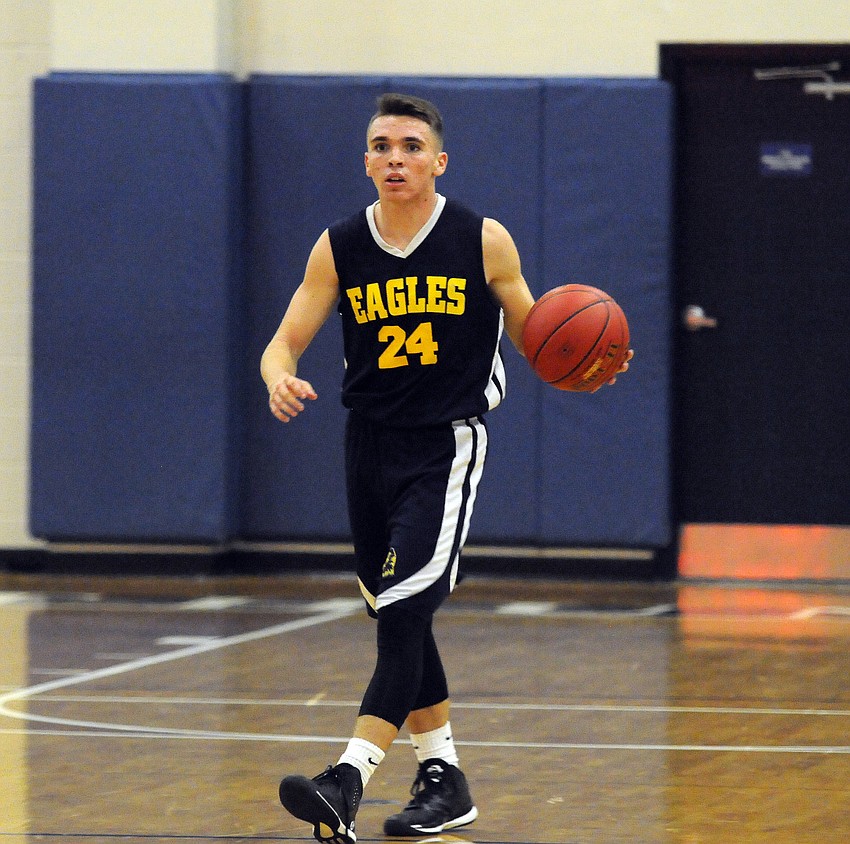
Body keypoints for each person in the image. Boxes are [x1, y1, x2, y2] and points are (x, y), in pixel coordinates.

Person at [262, 93, 630, 844]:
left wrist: (585, 363)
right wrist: (277, 377)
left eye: (409, 145)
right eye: (380, 145)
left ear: (438, 160)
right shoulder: (338, 246)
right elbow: (283, 340)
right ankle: (444, 778)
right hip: (368, 446)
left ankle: (348, 778)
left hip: (444, 445)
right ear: (366, 161)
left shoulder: (481, 239)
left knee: (402, 611)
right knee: (397, 615)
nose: (394, 157)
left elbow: (539, 339)